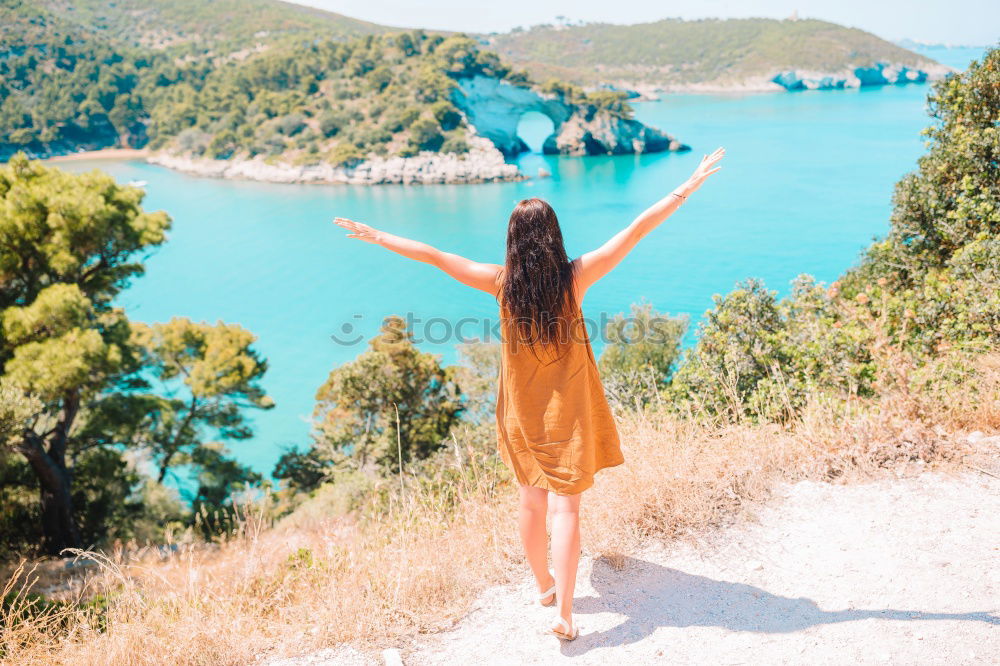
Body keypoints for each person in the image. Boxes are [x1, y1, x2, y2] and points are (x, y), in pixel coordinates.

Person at [334, 147, 725, 640]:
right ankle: (564, 610)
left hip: (520, 415)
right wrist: (686, 186)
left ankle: (542, 585)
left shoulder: (500, 284)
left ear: (513, 241)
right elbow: (637, 228)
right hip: (570, 416)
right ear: (554, 236)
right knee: (567, 509)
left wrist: (376, 235)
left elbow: (434, 254)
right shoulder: (575, 278)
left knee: (530, 503)